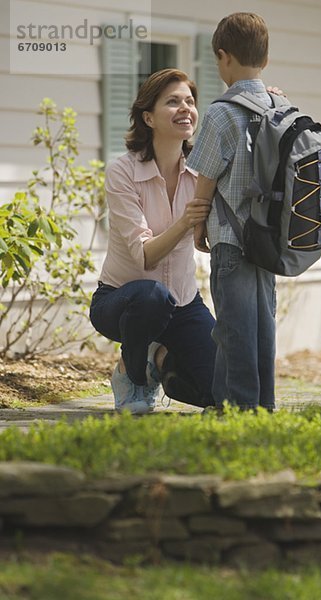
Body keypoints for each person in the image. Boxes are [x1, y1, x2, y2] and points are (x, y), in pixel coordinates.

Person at [90, 69, 216, 415]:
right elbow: (145, 256)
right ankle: (132, 373)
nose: (185, 109)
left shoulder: (201, 174)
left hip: (183, 304)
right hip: (122, 302)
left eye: (190, 102)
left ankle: (157, 357)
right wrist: (186, 222)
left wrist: (266, 106)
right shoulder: (123, 172)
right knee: (153, 296)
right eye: (172, 102)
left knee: (221, 391)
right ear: (148, 117)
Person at [187, 13, 276, 412]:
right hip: (269, 238)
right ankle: (245, 404)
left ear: (223, 58)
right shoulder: (279, 104)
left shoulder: (222, 112)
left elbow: (205, 180)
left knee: (234, 329)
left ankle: (240, 410)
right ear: (265, 59)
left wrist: (196, 228)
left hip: (231, 238)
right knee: (260, 326)